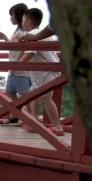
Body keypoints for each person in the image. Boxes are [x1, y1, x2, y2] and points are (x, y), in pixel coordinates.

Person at [19, 7, 64, 135]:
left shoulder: (33, 35)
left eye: (23, 20)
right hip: (47, 71)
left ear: (28, 20)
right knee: (34, 95)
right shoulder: (44, 33)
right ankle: (34, 122)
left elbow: (30, 54)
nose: (22, 23)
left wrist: (17, 65)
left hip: (46, 71)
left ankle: (57, 127)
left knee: (45, 98)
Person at [0, 3, 31, 124]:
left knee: (24, 94)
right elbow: (15, 46)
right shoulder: (18, 31)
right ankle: (16, 115)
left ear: (18, 15)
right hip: (13, 66)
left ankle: (28, 118)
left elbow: (24, 49)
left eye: (11, 15)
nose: (10, 17)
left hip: (20, 68)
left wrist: (18, 64)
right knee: (10, 91)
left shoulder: (24, 32)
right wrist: (6, 39)